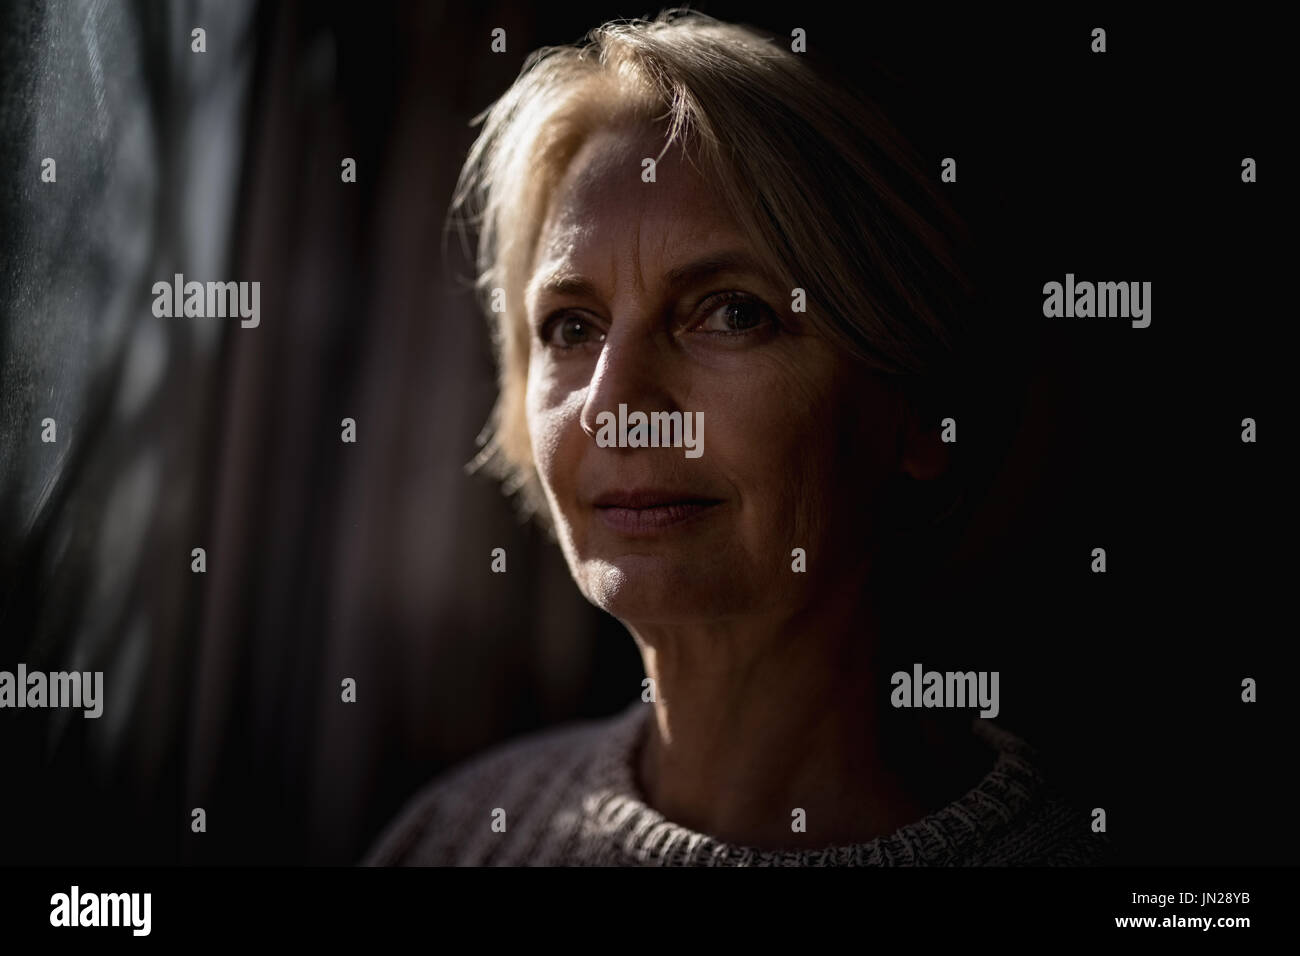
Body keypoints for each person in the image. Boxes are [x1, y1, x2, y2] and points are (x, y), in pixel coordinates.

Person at [365, 8, 1104, 866]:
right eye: (571, 327)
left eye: (732, 312)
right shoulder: (454, 837)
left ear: (918, 406)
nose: (614, 406)